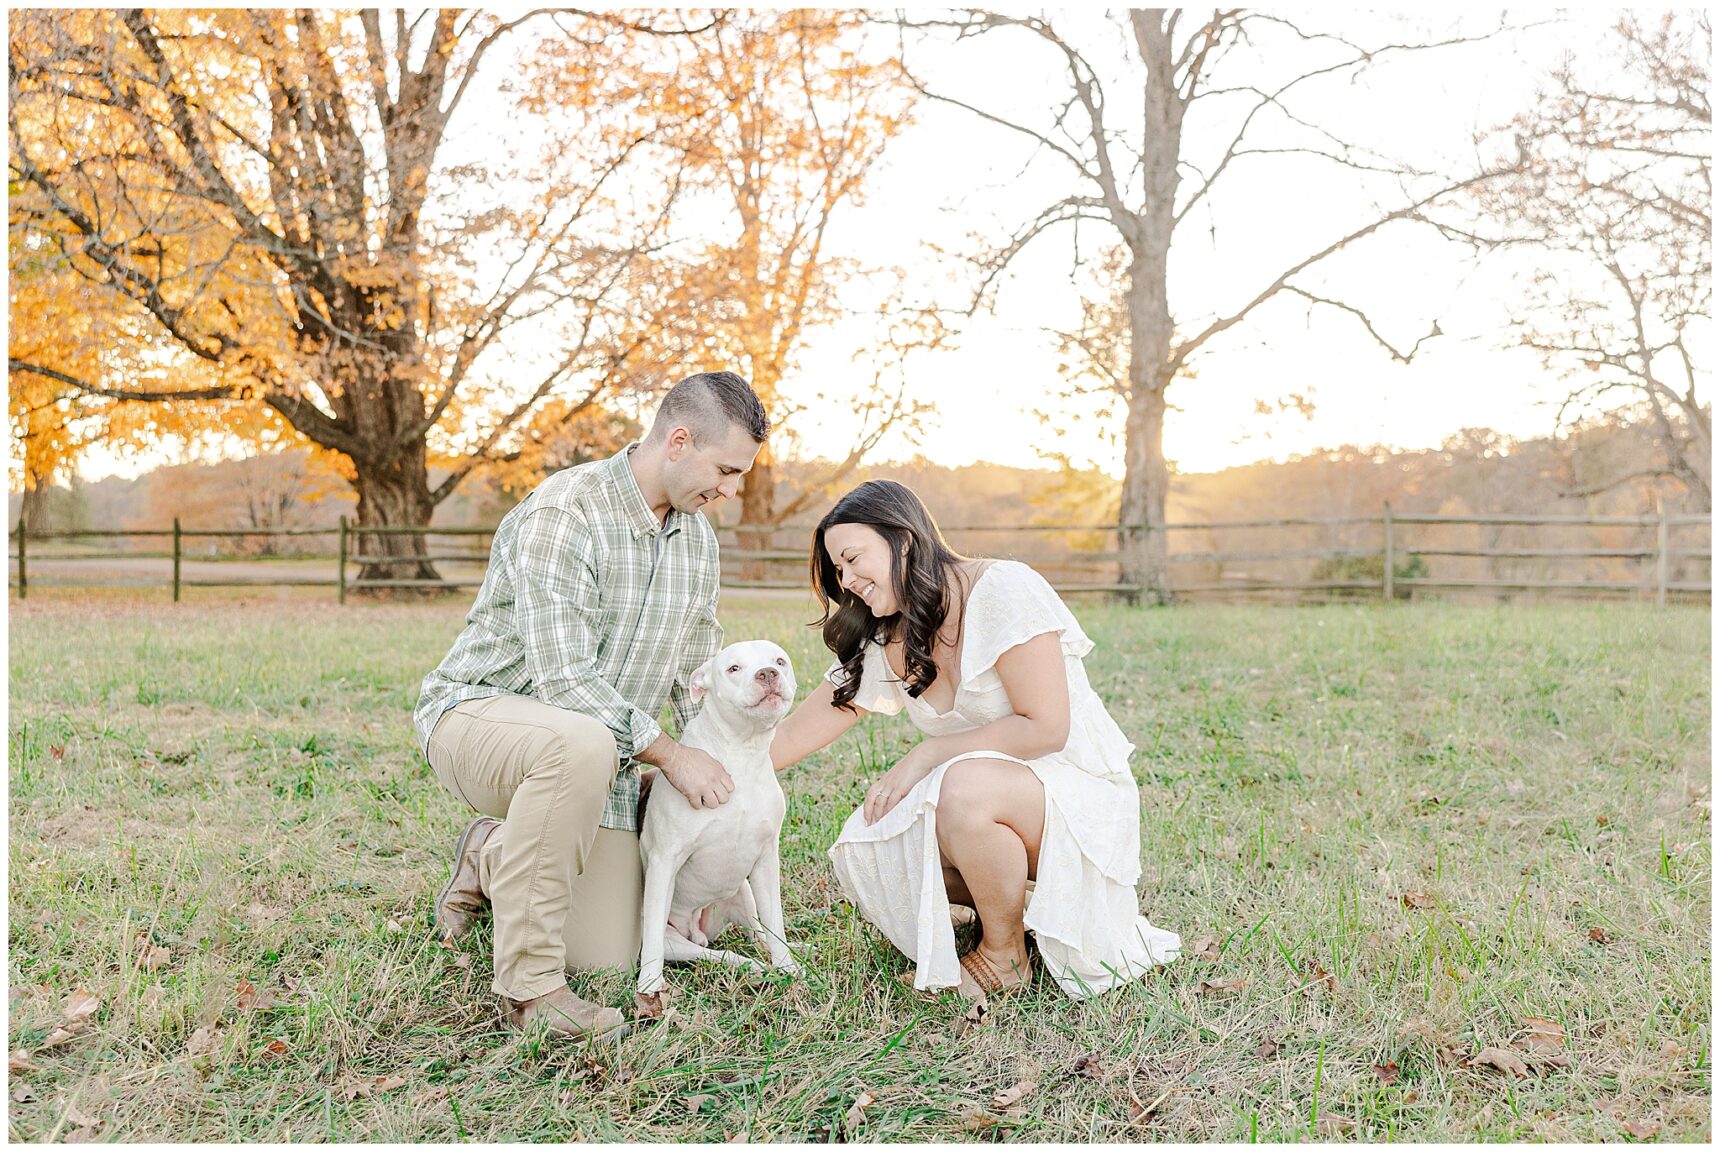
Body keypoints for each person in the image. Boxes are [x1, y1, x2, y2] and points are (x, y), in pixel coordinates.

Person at [413, 370, 769, 1040]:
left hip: (603, 759)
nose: (728, 490)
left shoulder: (699, 543)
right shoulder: (564, 512)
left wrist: (716, 764)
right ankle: (531, 991)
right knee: (580, 741)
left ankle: (494, 857)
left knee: (608, 953)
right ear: (678, 440)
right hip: (481, 719)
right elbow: (562, 682)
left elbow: (693, 673)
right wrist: (670, 756)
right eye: (723, 470)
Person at [769, 480, 1181, 1001]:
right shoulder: (888, 633)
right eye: (839, 571)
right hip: (989, 798)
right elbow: (792, 734)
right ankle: (1022, 907)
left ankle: (1004, 954)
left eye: (853, 559)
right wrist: (702, 771)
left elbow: (1047, 726)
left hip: (1076, 793)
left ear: (904, 539)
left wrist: (929, 752)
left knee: (959, 790)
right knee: (872, 841)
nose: (848, 581)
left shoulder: (1002, 588)